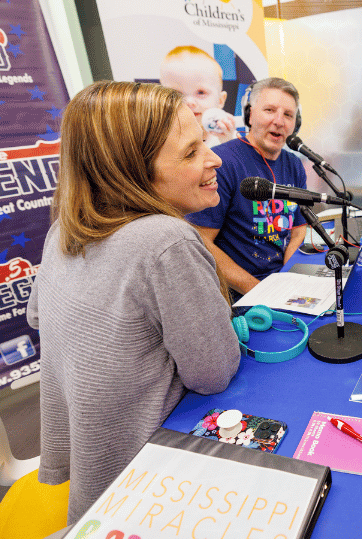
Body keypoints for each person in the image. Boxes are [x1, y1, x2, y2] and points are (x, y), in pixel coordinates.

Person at [27, 81, 241, 524]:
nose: (214, 157)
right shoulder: (165, 240)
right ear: (131, 173)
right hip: (150, 487)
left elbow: (38, 316)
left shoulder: (62, 231)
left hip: (94, 481)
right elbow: (214, 372)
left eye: (205, 139)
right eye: (190, 152)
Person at [186, 77, 308, 298]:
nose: (279, 121)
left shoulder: (294, 165)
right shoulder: (223, 162)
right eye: (270, 110)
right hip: (238, 293)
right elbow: (200, 240)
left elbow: (299, 228)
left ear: (294, 124)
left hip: (281, 284)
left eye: (288, 115)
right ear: (250, 114)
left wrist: (288, 276)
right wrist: (259, 291)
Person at [159, 45, 237, 147]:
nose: (189, 102)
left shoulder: (228, 137)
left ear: (220, 100)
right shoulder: (160, 139)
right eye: (176, 94)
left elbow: (240, 161)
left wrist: (228, 141)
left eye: (201, 92)